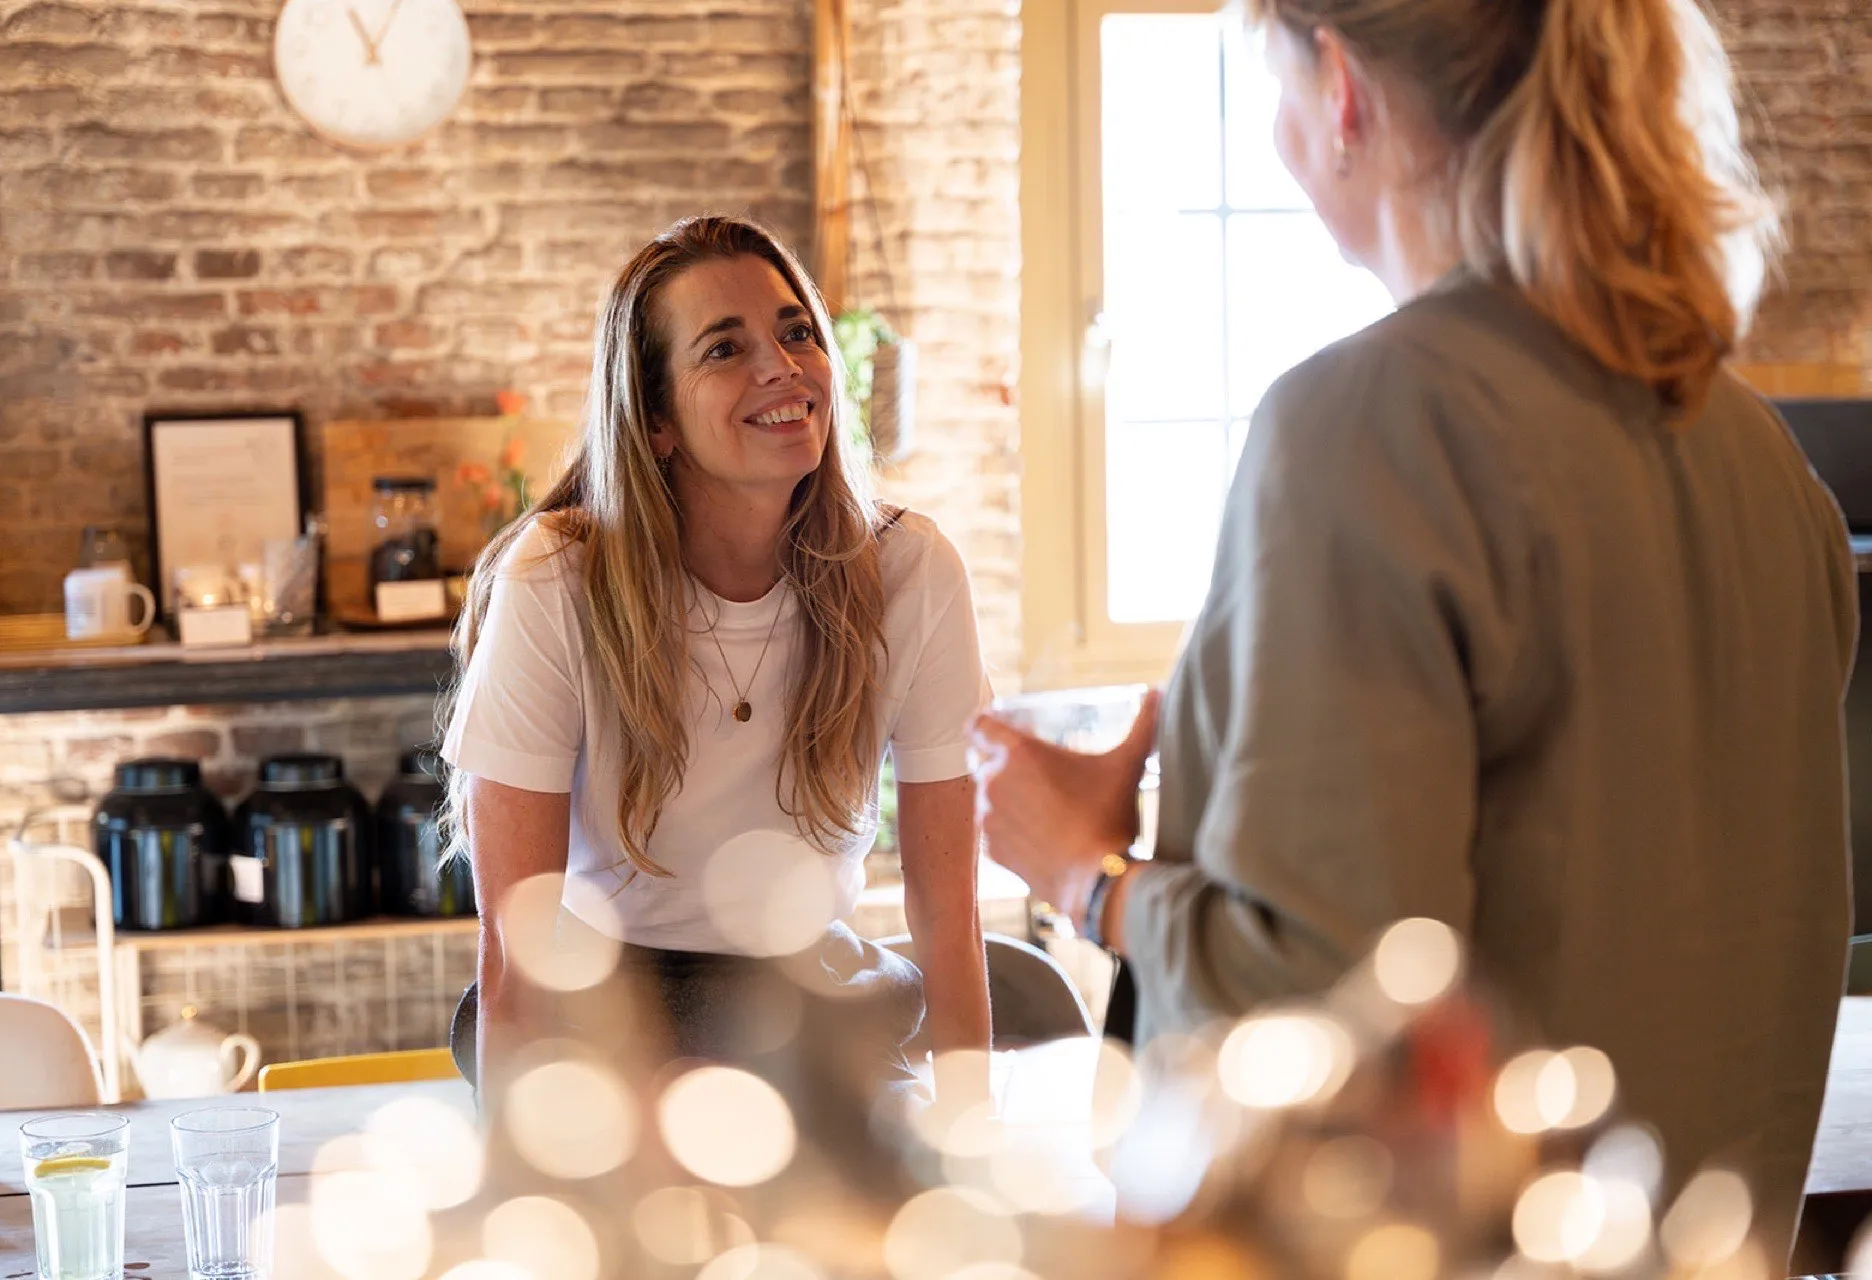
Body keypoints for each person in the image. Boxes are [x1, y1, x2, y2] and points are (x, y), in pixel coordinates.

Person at [972, 0, 1854, 1262]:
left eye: (1264, 83)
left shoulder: (1363, 425)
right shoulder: (1764, 463)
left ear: (1340, 90)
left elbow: (1330, 1006)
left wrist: (1089, 875)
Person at [443, 215, 992, 1100]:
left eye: (795, 331)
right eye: (724, 349)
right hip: (606, 1019)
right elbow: (521, 952)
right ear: (655, 420)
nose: (781, 367)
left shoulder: (912, 570)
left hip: (815, 1009)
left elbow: (948, 922)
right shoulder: (558, 577)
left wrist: (974, 1148)